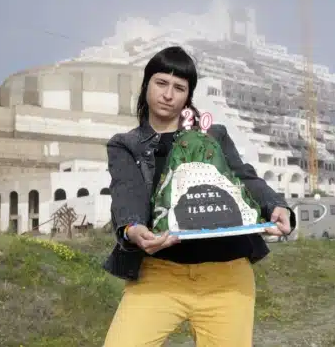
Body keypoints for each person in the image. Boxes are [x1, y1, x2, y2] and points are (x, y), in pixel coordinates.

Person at [103, 46, 296, 347]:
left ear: (188, 95)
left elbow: (243, 177)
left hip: (228, 277)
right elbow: (126, 190)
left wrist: (276, 205)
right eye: (161, 83)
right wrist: (133, 229)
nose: (168, 94)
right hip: (159, 276)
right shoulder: (125, 145)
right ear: (146, 84)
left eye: (179, 88)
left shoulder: (214, 135)